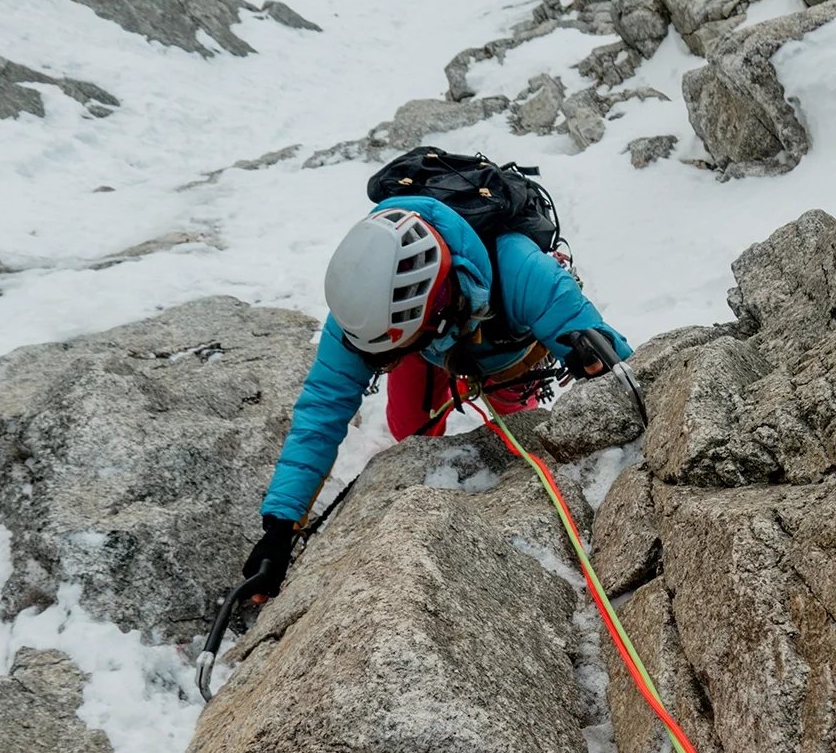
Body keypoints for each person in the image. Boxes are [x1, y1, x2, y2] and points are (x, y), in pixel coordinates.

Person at [242, 194, 631, 598]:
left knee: (520, 437)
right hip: (426, 344)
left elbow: (624, 367)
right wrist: (280, 526)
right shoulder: (365, 303)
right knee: (408, 429)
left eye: (388, 356)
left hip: (503, 348)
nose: (383, 364)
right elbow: (323, 407)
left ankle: (470, 386)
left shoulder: (525, 273)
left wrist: (592, 355)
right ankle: (435, 373)